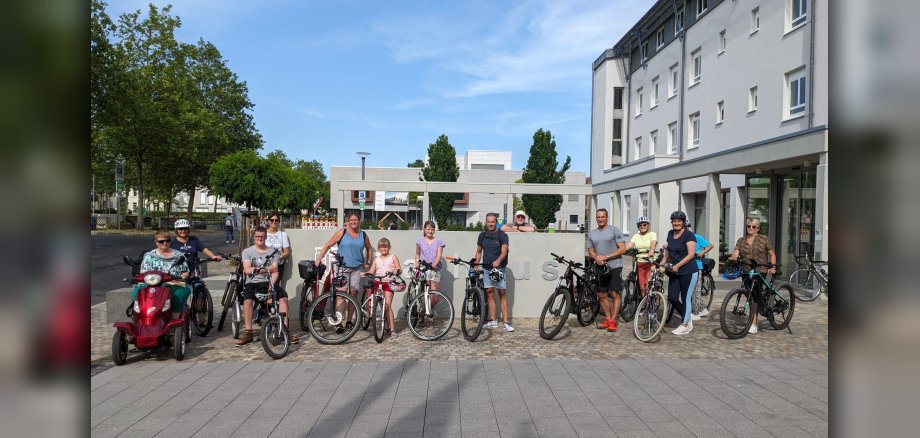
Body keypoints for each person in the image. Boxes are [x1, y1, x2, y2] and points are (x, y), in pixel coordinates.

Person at [236, 226, 297, 346]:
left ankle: (284, 330)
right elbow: (247, 269)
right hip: (253, 282)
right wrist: (260, 269)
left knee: (283, 298)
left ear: (266, 237)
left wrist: (271, 284)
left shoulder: (273, 251)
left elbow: (275, 271)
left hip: (269, 281)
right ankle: (248, 332)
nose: (260, 239)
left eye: (262, 237)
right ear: (254, 237)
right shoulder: (247, 252)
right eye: (258, 236)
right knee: (247, 300)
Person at [315, 213, 374, 333]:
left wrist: (368, 262)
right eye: (351, 220)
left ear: (359, 221)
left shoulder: (363, 234)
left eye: (355, 219)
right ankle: (338, 323)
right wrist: (319, 259)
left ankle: (349, 321)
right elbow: (328, 245)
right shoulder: (342, 232)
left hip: (357, 268)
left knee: (353, 295)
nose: (353, 222)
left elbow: (369, 248)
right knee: (341, 296)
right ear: (348, 222)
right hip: (342, 268)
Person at [727, 217, 777, 334]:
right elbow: (736, 252)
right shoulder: (741, 240)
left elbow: (772, 253)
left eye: (753, 226)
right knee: (750, 293)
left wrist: (772, 266)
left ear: (757, 228)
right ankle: (757, 312)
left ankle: (754, 322)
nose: (750, 228)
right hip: (746, 270)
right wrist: (733, 258)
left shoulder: (763, 239)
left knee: (755, 295)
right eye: (749, 226)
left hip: (760, 269)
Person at [586, 208, 629, 332]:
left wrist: (607, 256)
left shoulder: (614, 230)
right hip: (600, 267)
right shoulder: (593, 233)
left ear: (607, 217)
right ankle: (607, 318)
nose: (600, 219)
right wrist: (596, 257)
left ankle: (613, 321)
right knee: (601, 294)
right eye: (598, 217)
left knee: (614, 293)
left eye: (602, 217)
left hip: (615, 265)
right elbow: (590, 250)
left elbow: (622, 249)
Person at [133, 230, 190, 320]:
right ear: (156, 242)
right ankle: (140, 319)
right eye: (161, 241)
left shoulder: (179, 255)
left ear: (170, 241)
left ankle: (174, 321)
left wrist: (182, 276)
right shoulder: (149, 256)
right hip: (150, 284)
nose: (165, 243)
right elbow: (143, 272)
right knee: (137, 292)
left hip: (172, 283)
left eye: (167, 240)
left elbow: (185, 271)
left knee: (179, 294)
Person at [474, 213, 513, 332]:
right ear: (486, 222)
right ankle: (493, 321)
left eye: (493, 221)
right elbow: (479, 251)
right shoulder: (482, 235)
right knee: (490, 293)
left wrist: (499, 260)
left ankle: (506, 322)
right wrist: (476, 263)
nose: (490, 224)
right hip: (486, 269)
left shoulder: (502, 235)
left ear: (496, 222)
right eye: (488, 221)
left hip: (499, 269)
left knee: (502, 293)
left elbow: (504, 251)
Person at [661, 211, 698, 335]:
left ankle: (685, 325)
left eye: (679, 221)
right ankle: (687, 316)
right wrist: (663, 261)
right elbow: (668, 251)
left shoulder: (689, 235)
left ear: (683, 222)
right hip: (674, 272)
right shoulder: (670, 233)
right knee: (672, 297)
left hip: (689, 271)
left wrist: (677, 265)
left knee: (686, 298)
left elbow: (691, 254)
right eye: (674, 221)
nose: (676, 223)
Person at [363, 238, 401, 337]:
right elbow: (371, 271)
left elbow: (398, 268)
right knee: (381, 306)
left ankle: (392, 330)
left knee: (387, 306)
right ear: (379, 248)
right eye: (381, 247)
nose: (383, 249)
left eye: (385, 247)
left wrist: (396, 271)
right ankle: (385, 327)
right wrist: (365, 274)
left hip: (388, 284)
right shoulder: (377, 259)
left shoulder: (393, 257)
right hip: (378, 284)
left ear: (389, 247)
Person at [685, 222, 714, 319]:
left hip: (697, 265)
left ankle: (696, 313)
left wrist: (702, 252)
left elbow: (710, 245)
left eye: (686, 227)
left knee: (696, 290)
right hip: (685, 266)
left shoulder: (696, 237)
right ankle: (699, 309)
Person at [415, 221, 445, 313]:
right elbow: (417, 254)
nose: (430, 231)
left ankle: (427, 310)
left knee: (435, 297)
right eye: (428, 229)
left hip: (435, 270)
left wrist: (433, 266)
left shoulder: (439, 242)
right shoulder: (419, 241)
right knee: (425, 294)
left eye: (432, 229)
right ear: (424, 229)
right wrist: (417, 266)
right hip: (424, 269)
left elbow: (439, 255)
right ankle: (426, 315)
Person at [625, 216, 657, 298]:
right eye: (640, 225)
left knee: (647, 286)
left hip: (650, 262)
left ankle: (649, 304)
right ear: (638, 227)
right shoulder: (636, 236)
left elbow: (653, 243)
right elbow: (629, 245)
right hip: (639, 263)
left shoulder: (652, 234)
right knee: (642, 287)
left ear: (648, 225)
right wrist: (620, 250)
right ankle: (644, 303)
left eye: (644, 225)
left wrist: (652, 250)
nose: (642, 227)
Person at [265, 212, 291, 289]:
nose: (274, 222)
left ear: (279, 222)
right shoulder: (263, 233)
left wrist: (280, 256)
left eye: (276, 220)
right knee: (264, 286)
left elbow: (287, 252)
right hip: (265, 264)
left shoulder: (283, 235)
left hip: (278, 265)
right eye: (272, 220)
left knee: (274, 287)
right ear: (268, 221)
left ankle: (273, 301)